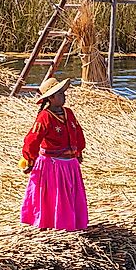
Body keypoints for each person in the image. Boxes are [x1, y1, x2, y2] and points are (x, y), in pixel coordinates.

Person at [20, 77, 89, 231]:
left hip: (70, 164)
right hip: (53, 165)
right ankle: (53, 223)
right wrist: (29, 160)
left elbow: (78, 133)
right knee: (55, 196)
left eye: (63, 93)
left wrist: (79, 152)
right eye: (60, 93)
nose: (64, 96)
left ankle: (73, 223)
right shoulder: (45, 116)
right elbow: (33, 139)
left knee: (70, 195)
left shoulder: (68, 113)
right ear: (51, 98)